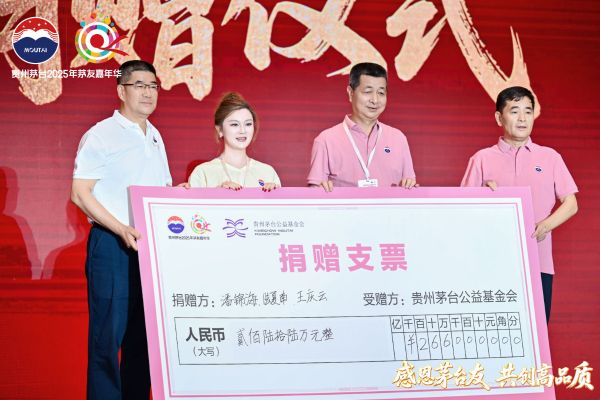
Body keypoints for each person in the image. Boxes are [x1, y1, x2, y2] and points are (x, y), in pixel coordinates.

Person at [71, 60, 172, 399]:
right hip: (112, 244)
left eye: (153, 86)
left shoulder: (154, 135)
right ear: (121, 91)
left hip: (148, 248)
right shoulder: (101, 134)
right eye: (139, 85)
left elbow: (159, 190)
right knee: (107, 339)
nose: (148, 93)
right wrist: (120, 228)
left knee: (143, 339)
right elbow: (80, 193)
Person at [461, 86, 578, 323]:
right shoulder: (481, 159)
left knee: (535, 332)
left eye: (528, 111)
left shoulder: (550, 157)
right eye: (514, 111)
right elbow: (461, 210)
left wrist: (545, 226)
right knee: (493, 330)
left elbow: (571, 203)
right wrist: (483, 197)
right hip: (491, 263)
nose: (523, 118)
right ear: (499, 118)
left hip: (538, 262)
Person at [307, 62, 416, 191]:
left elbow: (410, 187)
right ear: (350, 93)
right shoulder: (326, 140)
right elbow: (314, 194)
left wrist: (411, 186)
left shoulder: (398, 138)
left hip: (389, 205)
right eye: (368, 92)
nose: (375, 100)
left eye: (381, 93)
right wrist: (320, 190)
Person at [188, 92, 280, 190]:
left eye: (248, 124)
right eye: (234, 124)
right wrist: (216, 193)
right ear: (220, 130)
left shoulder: (268, 172)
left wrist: (273, 195)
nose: (243, 130)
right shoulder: (202, 173)